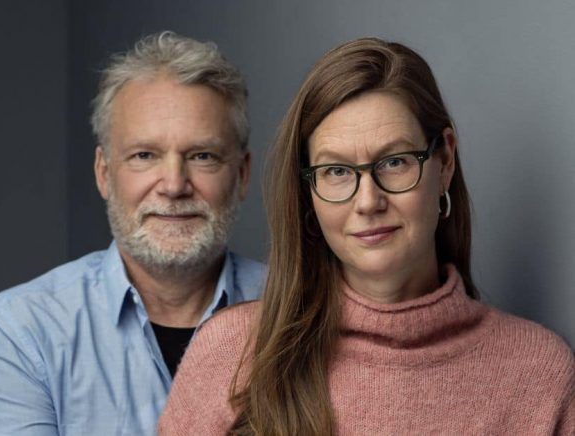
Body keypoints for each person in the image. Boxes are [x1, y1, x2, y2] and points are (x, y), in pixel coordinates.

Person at [158, 37, 574, 435]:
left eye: (394, 162)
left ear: (444, 161)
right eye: (336, 172)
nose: (368, 200)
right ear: (308, 192)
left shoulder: (539, 373)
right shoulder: (233, 353)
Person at [0, 31, 265, 436]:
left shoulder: (306, 311)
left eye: (202, 156)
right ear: (104, 173)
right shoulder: (25, 330)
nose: (174, 184)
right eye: (144, 156)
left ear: (241, 175)